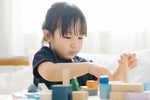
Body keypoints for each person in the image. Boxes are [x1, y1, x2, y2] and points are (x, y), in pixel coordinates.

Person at [33, 2, 137, 89]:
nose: (75, 44)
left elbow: (110, 81)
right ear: (48, 35)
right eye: (68, 37)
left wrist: (123, 66)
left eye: (80, 37)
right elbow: (50, 72)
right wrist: (88, 67)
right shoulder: (45, 56)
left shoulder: (83, 64)